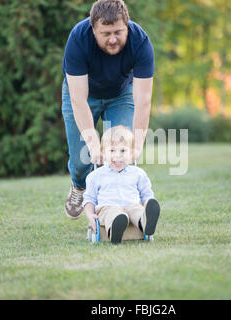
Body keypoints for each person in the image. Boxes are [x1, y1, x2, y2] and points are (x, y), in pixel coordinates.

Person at [61, 0, 154, 219]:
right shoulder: (78, 38)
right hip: (83, 95)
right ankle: (78, 186)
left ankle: (123, 209)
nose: (113, 39)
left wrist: (137, 145)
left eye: (118, 32)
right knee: (81, 158)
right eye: (105, 33)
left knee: (122, 148)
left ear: (127, 26)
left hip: (121, 94)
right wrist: (94, 145)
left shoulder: (140, 42)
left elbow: (143, 100)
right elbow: (78, 99)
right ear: (93, 29)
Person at [82, 126, 161, 244]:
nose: (117, 156)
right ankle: (115, 229)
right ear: (103, 152)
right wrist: (90, 215)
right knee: (114, 213)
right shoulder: (96, 176)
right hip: (107, 208)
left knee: (137, 210)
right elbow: (89, 199)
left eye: (123, 151)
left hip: (132, 205)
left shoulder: (138, 173)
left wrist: (148, 205)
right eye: (112, 150)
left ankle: (145, 223)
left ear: (131, 153)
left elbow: (146, 194)